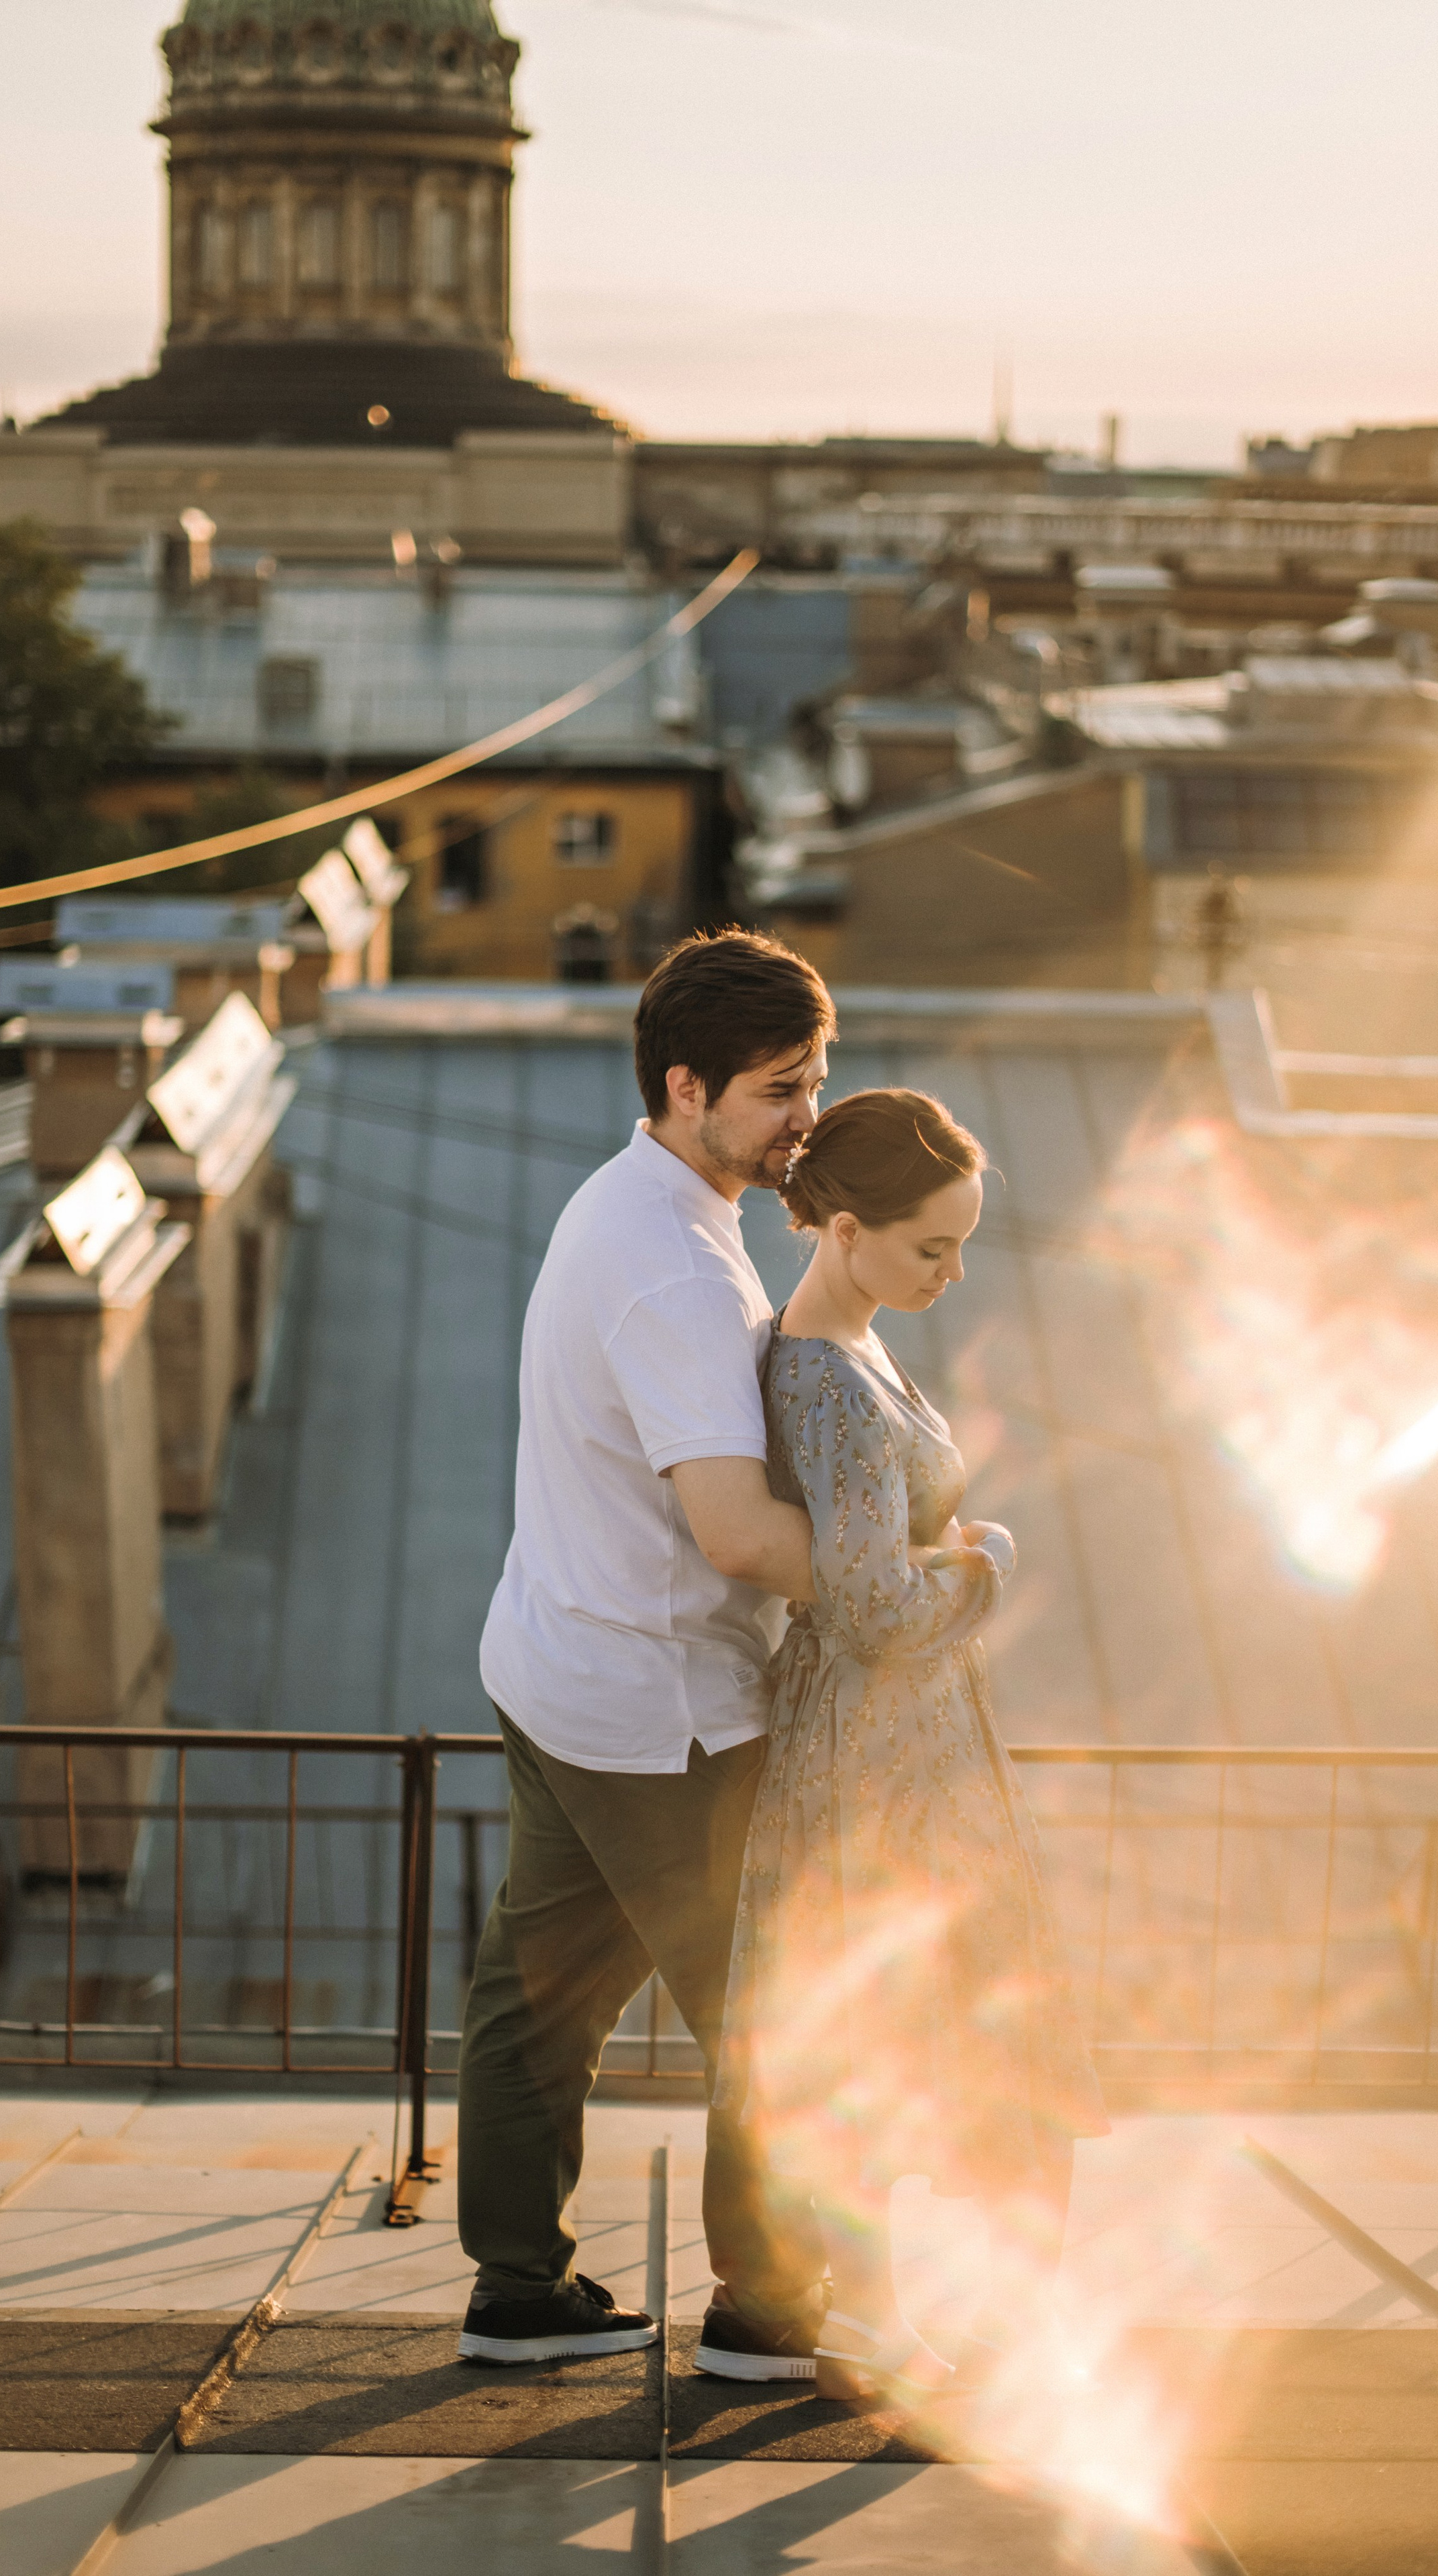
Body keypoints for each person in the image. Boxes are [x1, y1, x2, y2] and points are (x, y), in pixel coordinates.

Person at [454, 929, 834, 2379]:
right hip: (660, 1709)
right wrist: (906, 1576)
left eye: (816, 1076)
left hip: (557, 1669)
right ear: (686, 1085)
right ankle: (762, 2307)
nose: (805, 1112)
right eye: (778, 1087)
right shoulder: (676, 1269)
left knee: (535, 1994)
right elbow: (737, 1534)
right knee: (768, 2006)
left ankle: (514, 2292)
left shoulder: (625, 1199)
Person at [716, 1088, 1107, 2406]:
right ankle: (909, 2323)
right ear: (839, 1230)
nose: (952, 1272)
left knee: (903, 2038)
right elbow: (875, 1603)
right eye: (930, 1247)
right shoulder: (826, 1380)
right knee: (928, 2037)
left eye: (959, 1245)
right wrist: (986, 1563)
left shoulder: (842, 1348)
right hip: (886, 1759)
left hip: (897, 1749)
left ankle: (896, 2319)